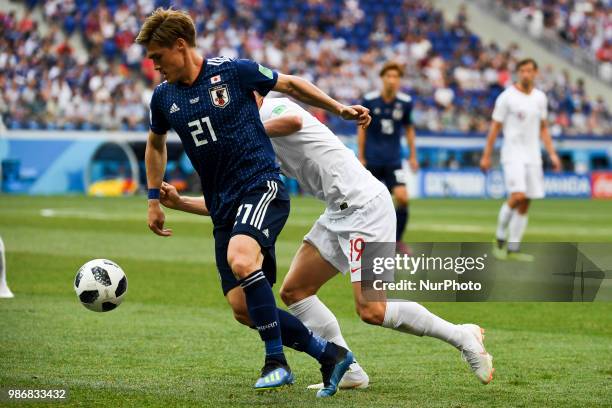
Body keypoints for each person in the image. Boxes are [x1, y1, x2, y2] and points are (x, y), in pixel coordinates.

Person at [160, 94, 495, 388]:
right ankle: (349, 369)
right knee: (295, 291)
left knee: (371, 310)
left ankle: (461, 335)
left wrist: (247, 132)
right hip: (338, 212)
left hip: (367, 206)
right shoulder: (254, 141)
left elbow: (291, 120)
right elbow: (238, 198)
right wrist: (181, 203)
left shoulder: (273, 107)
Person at [136, 8, 370, 397]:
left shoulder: (232, 72)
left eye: (157, 56)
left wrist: (339, 109)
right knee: (243, 308)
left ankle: (276, 362)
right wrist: (153, 198)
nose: (154, 65)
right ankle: (329, 355)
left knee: (242, 260)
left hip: (261, 187)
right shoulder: (163, 98)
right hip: (223, 203)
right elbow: (155, 143)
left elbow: (291, 84)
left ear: (180, 46)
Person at [480, 58, 561, 261]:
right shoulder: (506, 97)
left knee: (526, 202)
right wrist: (486, 155)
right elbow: (495, 128)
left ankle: (513, 248)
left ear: (536, 73)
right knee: (517, 196)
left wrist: (552, 153)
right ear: (518, 73)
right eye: (522, 70)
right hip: (512, 153)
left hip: (533, 155)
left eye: (530, 71)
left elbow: (543, 127)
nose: (526, 74)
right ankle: (499, 236)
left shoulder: (540, 98)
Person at [358, 61, 418, 253]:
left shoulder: (405, 102)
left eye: (396, 77)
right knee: (365, 203)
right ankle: (363, 240)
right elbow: (361, 129)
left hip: (393, 160)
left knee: (403, 198)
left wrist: (413, 156)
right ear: (382, 78)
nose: (392, 80)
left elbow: (409, 130)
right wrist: (361, 156)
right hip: (372, 159)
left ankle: (397, 241)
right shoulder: (369, 100)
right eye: (388, 76)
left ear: (399, 80)